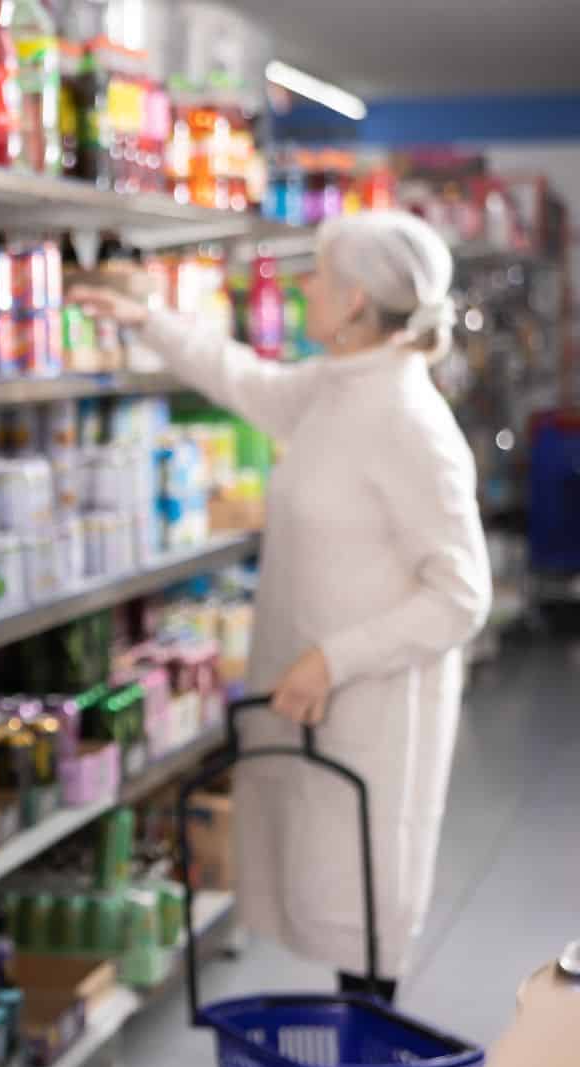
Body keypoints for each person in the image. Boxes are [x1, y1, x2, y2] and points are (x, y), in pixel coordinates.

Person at [73, 210, 491, 1003]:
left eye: (321, 276)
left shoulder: (409, 420)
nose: (305, 289)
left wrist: (335, 659)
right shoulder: (338, 389)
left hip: (370, 714)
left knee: (366, 921)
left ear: (357, 301)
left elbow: (463, 594)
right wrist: (149, 320)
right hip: (318, 708)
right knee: (338, 912)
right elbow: (249, 383)